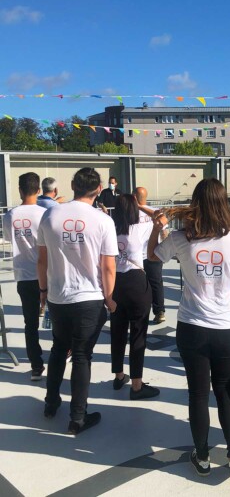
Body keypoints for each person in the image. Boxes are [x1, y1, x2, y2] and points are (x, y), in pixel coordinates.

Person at [148, 178, 230, 478]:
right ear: (223, 203)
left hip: (192, 326)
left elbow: (152, 256)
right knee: (225, 392)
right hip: (227, 326)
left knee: (197, 394)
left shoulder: (181, 238)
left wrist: (156, 228)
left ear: (195, 204)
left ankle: (203, 457)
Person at [38, 167, 118, 435]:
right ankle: (78, 417)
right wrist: (109, 298)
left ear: (72, 185)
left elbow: (42, 260)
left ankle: (51, 403)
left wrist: (43, 290)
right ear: (99, 190)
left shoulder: (50, 215)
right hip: (89, 298)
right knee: (82, 356)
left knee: (59, 348)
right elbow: (108, 267)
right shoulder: (103, 220)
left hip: (58, 296)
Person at [111, 194, 159, 400]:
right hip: (136, 281)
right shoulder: (139, 229)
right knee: (138, 333)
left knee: (117, 331)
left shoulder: (110, 229)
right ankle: (137, 385)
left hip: (115, 282)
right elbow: (161, 217)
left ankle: (119, 375)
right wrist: (141, 205)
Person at [4, 173, 46, 380]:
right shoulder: (45, 214)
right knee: (57, 319)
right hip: (47, 274)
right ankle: (63, 354)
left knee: (30, 323)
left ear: (20, 190)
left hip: (23, 274)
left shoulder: (10, 215)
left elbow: (8, 237)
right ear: (38, 190)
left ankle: (36, 366)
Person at [133, 186, 166, 324]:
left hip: (136, 255)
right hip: (153, 252)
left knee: (138, 285)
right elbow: (164, 232)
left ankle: (141, 312)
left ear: (134, 197)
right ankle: (159, 312)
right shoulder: (155, 212)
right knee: (156, 283)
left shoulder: (131, 212)